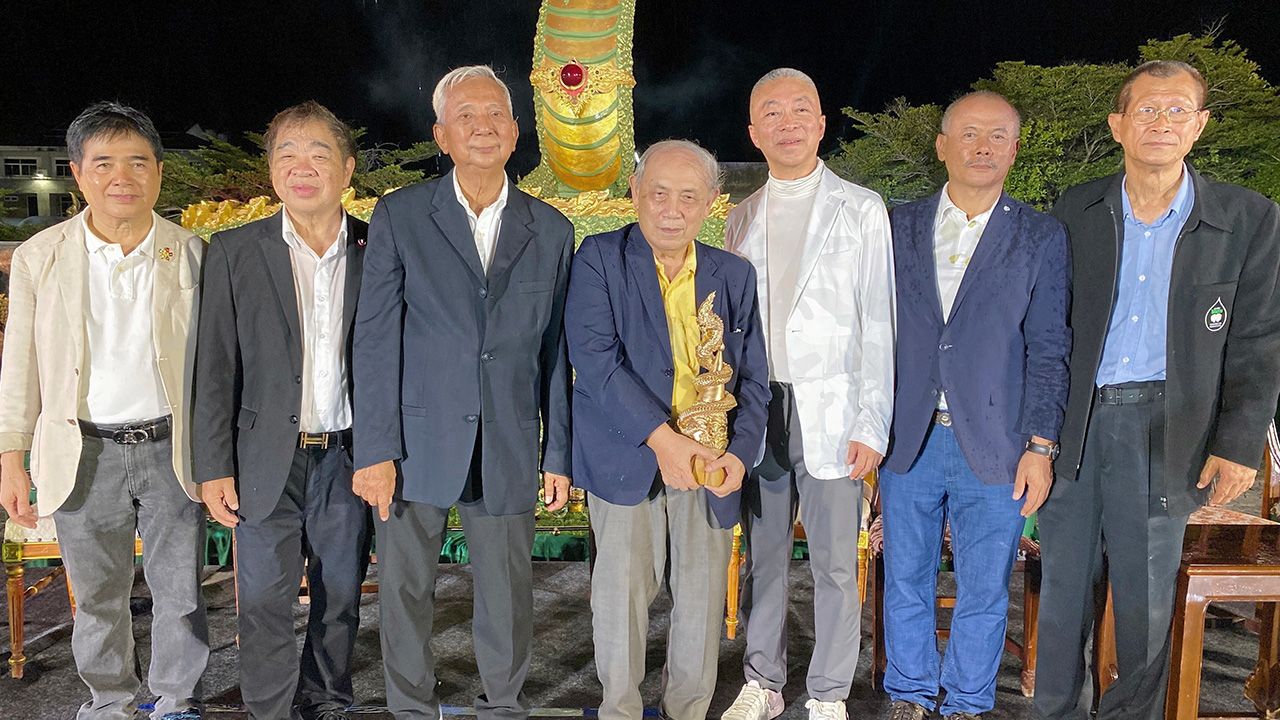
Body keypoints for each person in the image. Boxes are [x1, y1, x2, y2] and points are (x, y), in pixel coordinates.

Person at [1035, 60, 1280, 720]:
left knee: (1144, 606)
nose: (1161, 123)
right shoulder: (1075, 210)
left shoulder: (1247, 218)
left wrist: (1236, 444)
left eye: (1178, 111)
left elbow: (1259, 340)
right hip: (1076, 431)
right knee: (1062, 595)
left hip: (1168, 433)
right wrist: (1035, 437)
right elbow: (1046, 331)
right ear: (1118, 125)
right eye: (1147, 110)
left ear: (1199, 126)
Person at [351, 65, 574, 720]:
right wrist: (374, 449)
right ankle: (413, 709)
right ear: (441, 135)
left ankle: (502, 706)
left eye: (495, 114)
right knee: (405, 592)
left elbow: (555, 351)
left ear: (514, 131)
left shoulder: (551, 229)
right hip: (413, 444)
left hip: (505, 440)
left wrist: (554, 452)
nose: (483, 126)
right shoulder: (401, 215)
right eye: (466, 115)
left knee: (507, 596)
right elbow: (373, 340)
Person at [0, 101, 208, 720]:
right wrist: (12, 455)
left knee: (181, 593)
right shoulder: (42, 256)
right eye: (105, 163)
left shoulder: (192, 252)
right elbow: (21, 365)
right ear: (78, 172)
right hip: (81, 449)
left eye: (138, 162)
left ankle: (175, 700)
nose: (123, 176)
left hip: (173, 446)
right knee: (96, 597)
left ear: (159, 173)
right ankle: (110, 699)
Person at [879, 91, 1070, 720]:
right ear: (943, 146)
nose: (982, 146)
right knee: (905, 576)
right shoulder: (896, 225)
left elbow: (1049, 348)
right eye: (968, 133)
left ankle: (966, 701)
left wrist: (1040, 446)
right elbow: (872, 333)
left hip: (997, 441)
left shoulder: (1041, 236)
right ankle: (908, 693)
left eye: (996, 135)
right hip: (907, 436)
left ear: (1014, 149)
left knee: (985, 587)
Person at [566, 139, 769, 720]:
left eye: (688, 196)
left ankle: (688, 711)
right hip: (626, 454)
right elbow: (596, 361)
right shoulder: (599, 257)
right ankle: (621, 710)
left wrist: (741, 454)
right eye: (658, 193)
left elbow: (754, 376)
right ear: (635, 194)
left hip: (712, 461)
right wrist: (664, 441)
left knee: (702, 601)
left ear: (711, 203)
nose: (671, 208)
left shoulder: (732, 274)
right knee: (622, 597)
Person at [721, 68, 895, 720]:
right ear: (752, 131)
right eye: (772, 112)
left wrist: (871, 423)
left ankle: (827, 693)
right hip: (760, 408)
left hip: (834, 408)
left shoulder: (862, 208)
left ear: (821, 124)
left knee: (833, 563)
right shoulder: (740, 216)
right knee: (764, 556)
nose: (787, 122)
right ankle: (762, 684)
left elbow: (880, 322)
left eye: (801, 110)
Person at [194, 100, 371, 720]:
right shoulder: (235, 250)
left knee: (341, 591)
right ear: (271, 171)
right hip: (263, 457)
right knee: (263, 599)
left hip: (348, 456)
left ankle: (327, 699)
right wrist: (212, 465)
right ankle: (268, 709)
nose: (303, 166)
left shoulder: (377, 249)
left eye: (319, 153)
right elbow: (212, 367)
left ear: (347, 170)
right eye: (287, 154)